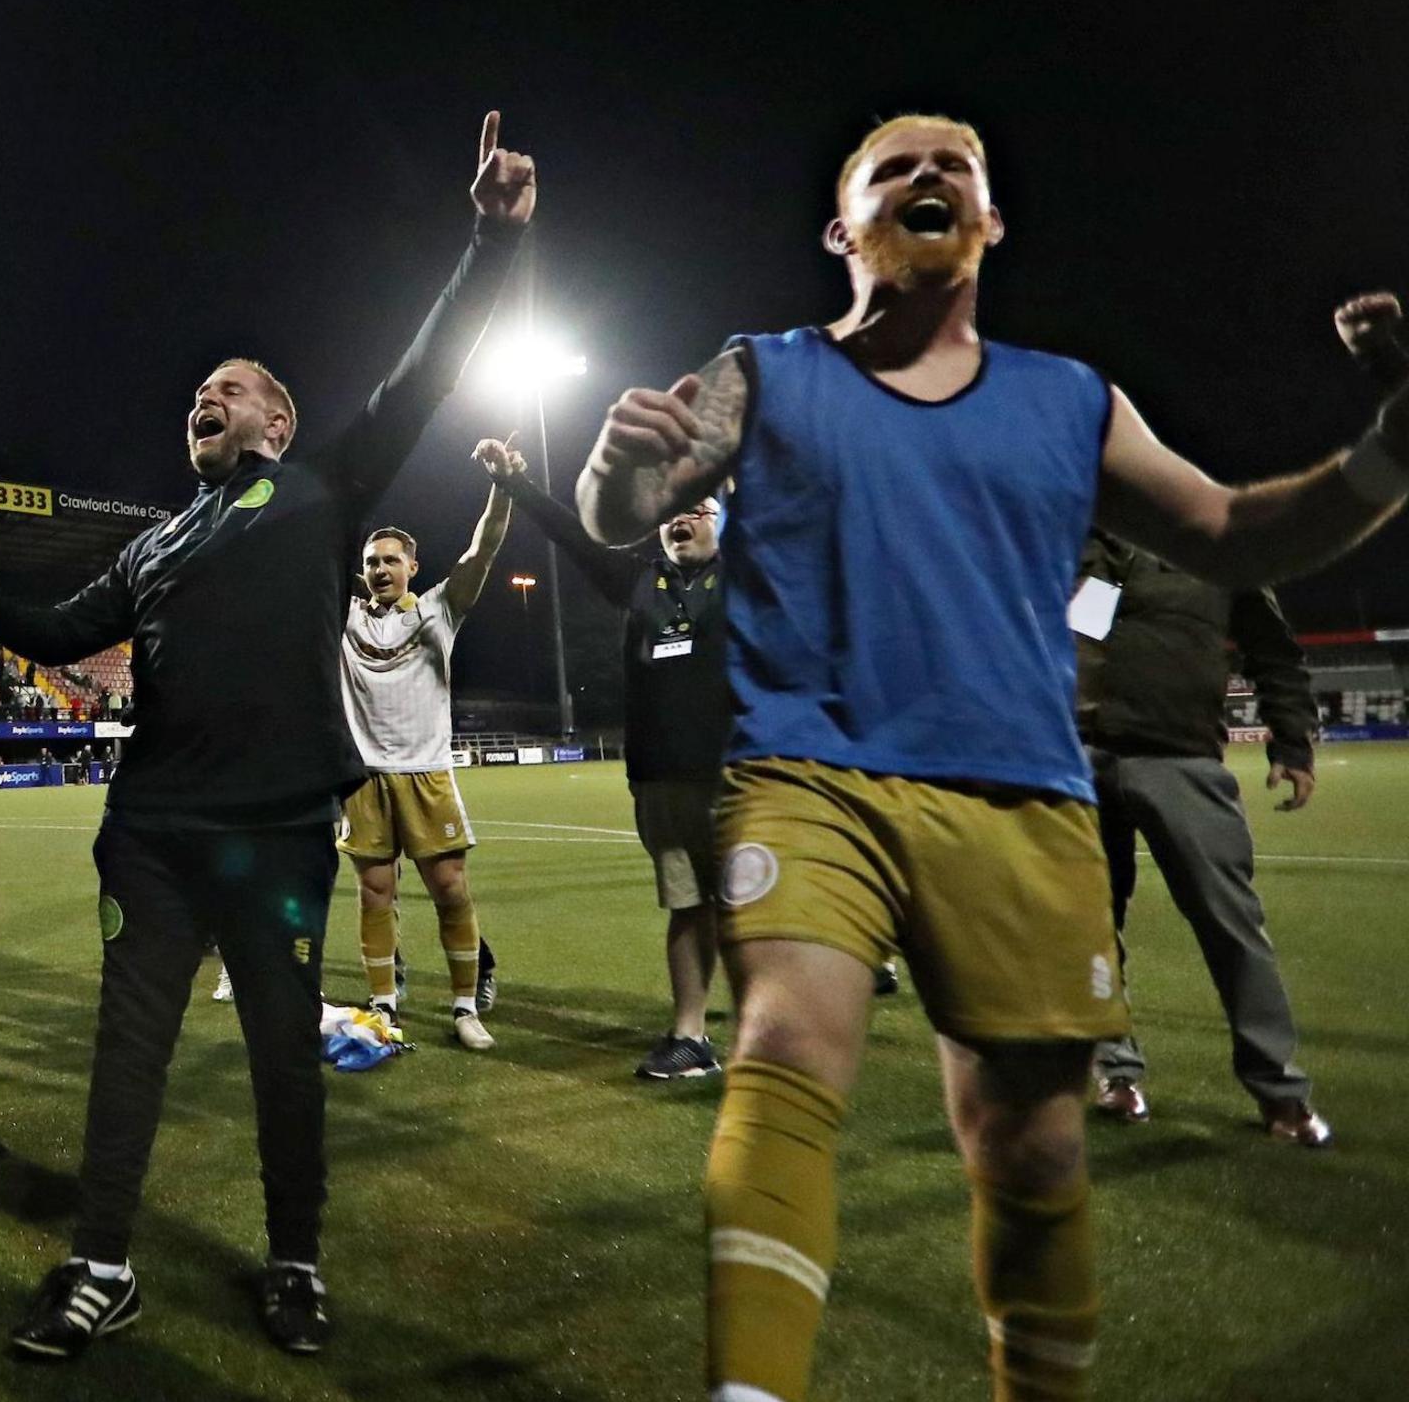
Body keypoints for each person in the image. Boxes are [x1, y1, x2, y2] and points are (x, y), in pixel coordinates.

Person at [573, 114, 1409, 1402]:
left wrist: (1390, 447)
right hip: (811, 774)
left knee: (1028, 1148)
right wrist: (615, 475)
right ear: (839, 229)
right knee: (785, 1049)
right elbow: (627, 507)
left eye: (950, 166)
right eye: (889, 168)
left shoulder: (1070, 400)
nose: (925, 177)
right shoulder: (764, 372)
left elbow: (1234, 534)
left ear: (989, 222)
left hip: (1021, 793)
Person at [0, 114, 532, 1358]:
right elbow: (52, 627)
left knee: (280, 1053)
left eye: (234, 389)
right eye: (200, 392)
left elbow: (425, 370)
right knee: (127, 1047)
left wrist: (492, 239)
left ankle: (295, 1259)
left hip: (273, 829)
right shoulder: (152, 543)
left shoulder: (322, 492)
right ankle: (100, 1262)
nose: (207, 395)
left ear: (281, 426)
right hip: (149, 833)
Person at [478, 439, 739, 1079]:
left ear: (722, 515)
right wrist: (515, 485)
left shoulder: (751, 575)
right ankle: (690, 1036)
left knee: (749, 911)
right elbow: (573, 537)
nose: (681, 519)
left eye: (697, 509)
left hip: (742, 776)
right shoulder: (639, 579)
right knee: (687, 905)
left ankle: (775, 1040)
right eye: (670, 512)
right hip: (659, 775)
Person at [1073, 531, 1332, 1144]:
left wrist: (1292, 742)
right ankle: (1117, 1072)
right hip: (1081, 759)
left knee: (1232, 926)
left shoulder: (1219, 549)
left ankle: (1280, 1090)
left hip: (1181, 759)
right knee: (1088, 928)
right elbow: (1074, 639)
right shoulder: (1093, 549)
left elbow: (1273, 651)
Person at [335, 479, 511, 1051]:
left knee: (451, 887)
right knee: (375, 893)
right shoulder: (346, 616)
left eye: (391, 559)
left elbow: (482, 550)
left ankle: (465, 1006)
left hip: (427, 773)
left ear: (413, 565)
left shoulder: (441, 607)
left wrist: (502, 488)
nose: (380, 568)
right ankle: (383, 1003)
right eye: (371, 562)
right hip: (365, 778)